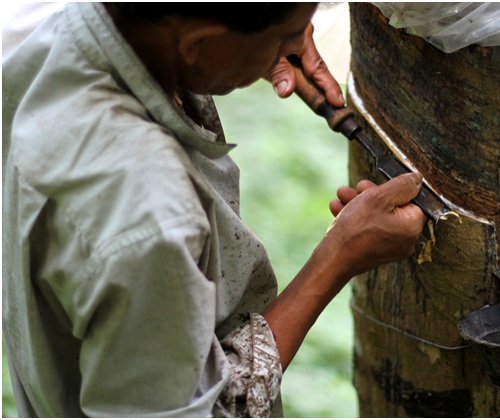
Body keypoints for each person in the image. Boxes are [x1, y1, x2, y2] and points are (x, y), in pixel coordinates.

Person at [2, 3, 426, 417]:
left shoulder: (47, 29)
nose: (299, 43)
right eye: (286, 32)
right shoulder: (148, 218)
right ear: (199, 42)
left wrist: (249, 49)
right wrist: (337, 258)